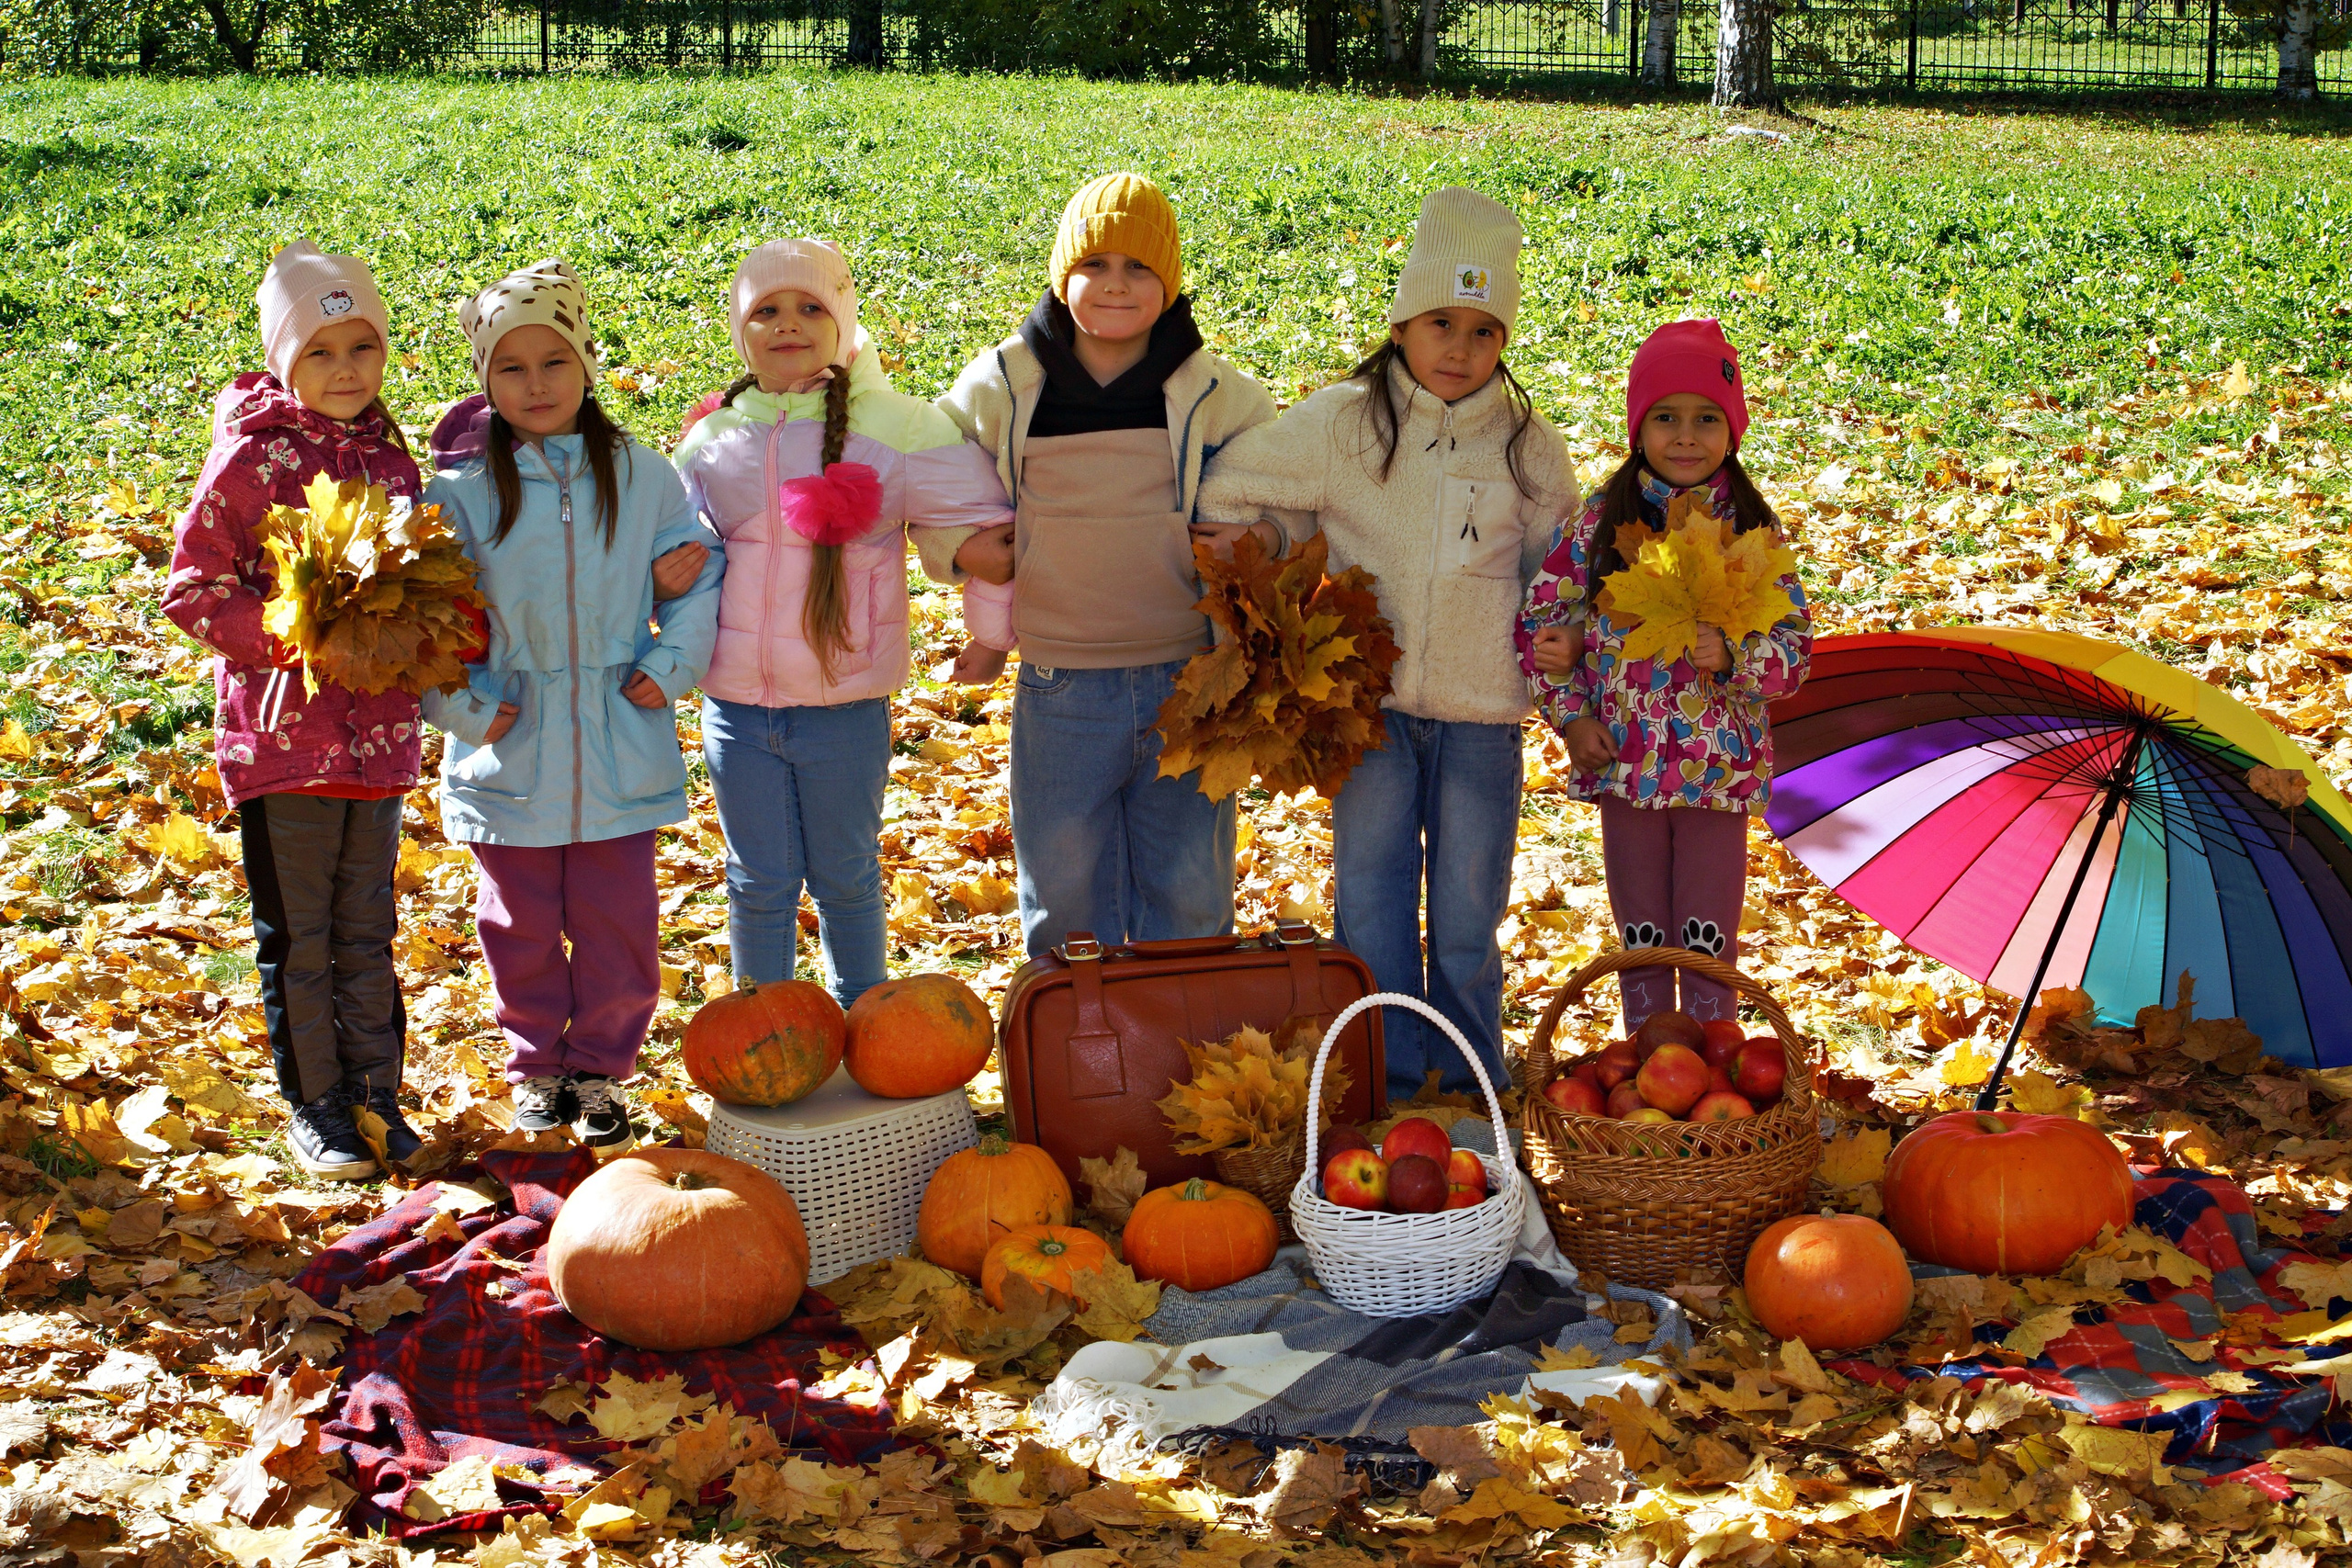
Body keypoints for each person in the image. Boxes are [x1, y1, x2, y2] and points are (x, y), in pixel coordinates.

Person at [1194, 188, 1579, 1099]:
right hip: (1365, 711)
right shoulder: (1343, 424)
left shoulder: (1529, 449)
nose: (1459, 347)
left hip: (1482, 714)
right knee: (1369, 899)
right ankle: (1383, 1076)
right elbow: (1233, 490)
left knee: (1463, 913)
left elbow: (1557, 570)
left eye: (1484, 330)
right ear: (1401, 320)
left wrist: (1557, 635)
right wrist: (1281, 563)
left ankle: (1473, 1078)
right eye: (1440, 321)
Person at [933, 172, 1278, 959]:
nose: (1115, 284)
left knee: (1189, 890)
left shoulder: (1210, 388)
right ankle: (1078, 1061)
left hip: (1187, 678)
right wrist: (955, 550)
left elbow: (1292, 479)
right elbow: (928, 466)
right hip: (1061, 683)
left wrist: (1262, 538)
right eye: (1095, 264)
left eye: (1139, 268)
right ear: (1062, 272)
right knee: (1064, 894)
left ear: (1172, 281)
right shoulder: (1009, 380)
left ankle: (1189, 1065)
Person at [420, 259, 722, 1155]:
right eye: (510, 368)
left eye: (553, 362)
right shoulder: (461, 493)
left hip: (619, 739)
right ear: (484, 380)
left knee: (617, 924)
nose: (536, 384)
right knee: (516, 924)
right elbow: (419, 620)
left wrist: (666, 667)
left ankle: (600, 1065)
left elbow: (700, 574)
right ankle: (535, 1067)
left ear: (587, 364)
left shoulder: (645, 476)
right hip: (508, 745)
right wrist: (467, 711)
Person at [673, 238, 1013, 1006]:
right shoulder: (712, 440)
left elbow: (987, 530)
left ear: (842, 319)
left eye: (809, 307)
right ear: (739, 329)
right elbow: (671, 553)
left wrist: (990, 636)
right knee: (757, 878)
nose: (787, 324)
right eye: (765, 310)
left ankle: (867, 1020)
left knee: (847, 874)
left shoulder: (899, 429)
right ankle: (764, 1027)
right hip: (737, 710)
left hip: (844, 706)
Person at [164, 241, 429, 1181]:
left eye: (363, 346)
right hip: (285, 741)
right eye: (321, 351)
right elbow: (192, 588)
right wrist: (299, 632)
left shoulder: (394, 462)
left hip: (382, 740)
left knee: (367, 926)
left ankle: (375, 1095)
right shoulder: (253, 456)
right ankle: (314, 1104)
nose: (346, 369)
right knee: (301, 933)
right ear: (284, 358)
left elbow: (418, 593)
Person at [1519, 317, 1811, 1030]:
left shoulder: (1753, 531)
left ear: (1733, 429)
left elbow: (1795, 652)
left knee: (1709, 932)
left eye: (1707, 418)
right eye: (1666, 417)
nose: (1686, 435)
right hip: (1626, 765)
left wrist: (1738, 659)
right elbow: (1540, 628)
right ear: (1638, 427)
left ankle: (1712, 1059)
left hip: (1715, 775)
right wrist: (1572, 715)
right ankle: (1648, 1059)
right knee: (1642, 930)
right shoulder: (1599, 524)